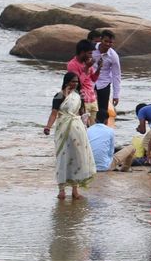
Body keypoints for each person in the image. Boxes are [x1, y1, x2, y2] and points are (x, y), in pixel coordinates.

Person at [43, 72, 96, 200]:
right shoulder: (59, 96)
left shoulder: (78, 96)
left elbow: (82, 112)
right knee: (63, 157)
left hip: (77, 130)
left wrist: (87, 124)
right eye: (72, 81)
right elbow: (54, 114)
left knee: (77, 157)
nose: (75, 84)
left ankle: (75, 190)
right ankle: (61, 190)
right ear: (66, 82)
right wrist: (48, 127)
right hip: (63, 130)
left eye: (77, 82)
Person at [66, 40, 100, 125]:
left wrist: (99, 68)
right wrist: (86, 68)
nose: (91, 56)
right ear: (82, 52)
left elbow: (93, 79)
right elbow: (77, 83)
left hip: (92, 98)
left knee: (93, 127)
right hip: (82, 99)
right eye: (89, 53)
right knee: (83, 126)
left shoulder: (87, 63)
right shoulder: (72, 64)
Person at [92, 30, 121, 124]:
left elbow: (116, 75)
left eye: (110, 42)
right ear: (101, 39)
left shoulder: (113, 56)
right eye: (106, 41)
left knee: (103, 111)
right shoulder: (91, 49)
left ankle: (103, 130)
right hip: (89, 83)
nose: (108, 44)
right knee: (86, 106)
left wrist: (116, 95)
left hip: (103, 84)